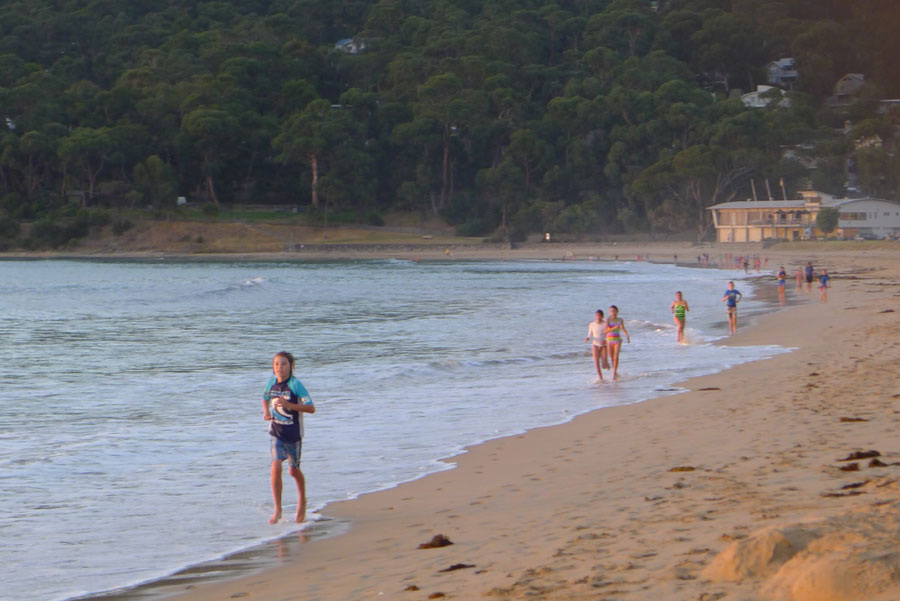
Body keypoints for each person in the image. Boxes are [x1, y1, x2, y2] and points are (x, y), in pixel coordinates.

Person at [262, 351, 316, 524]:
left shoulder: (295, 385)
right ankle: (278, 509)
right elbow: (265, 398)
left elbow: (311, 408)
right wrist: (265, 412)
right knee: (275, 465)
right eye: (276, 364)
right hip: (276, 432)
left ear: (291, 366)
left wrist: (289, 405)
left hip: (293, 434)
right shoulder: (271, 383)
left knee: (293, 470)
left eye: (284, 364)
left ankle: (302, 501)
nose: (280, 367)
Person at [605, 305, 631, 381]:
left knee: (616, 357)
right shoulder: (608, 319)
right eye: (611, 311)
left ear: (617, 311)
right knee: (612, 358)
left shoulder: (620, 319)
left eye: (614, 311)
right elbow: (605, 331)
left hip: (618, 340)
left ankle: (614, 373)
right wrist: (613, 328)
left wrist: (627, 335)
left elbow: (623, 328)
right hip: (609, 340)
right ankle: (615, 372)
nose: (612, 313)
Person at [584, 309, 610, 381]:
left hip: (604, 346)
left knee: (604, 366)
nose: (598, 317)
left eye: (599, 316)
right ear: (595, 316)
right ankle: (601, 379)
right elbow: (589, 334)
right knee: (596, 363)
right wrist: (587, 338)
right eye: (597, 316)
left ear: (602, 316)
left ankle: (606, 363)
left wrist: (606, 339)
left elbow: (608, 334)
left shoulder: (605, 324)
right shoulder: (592, 324)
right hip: (595, 345)